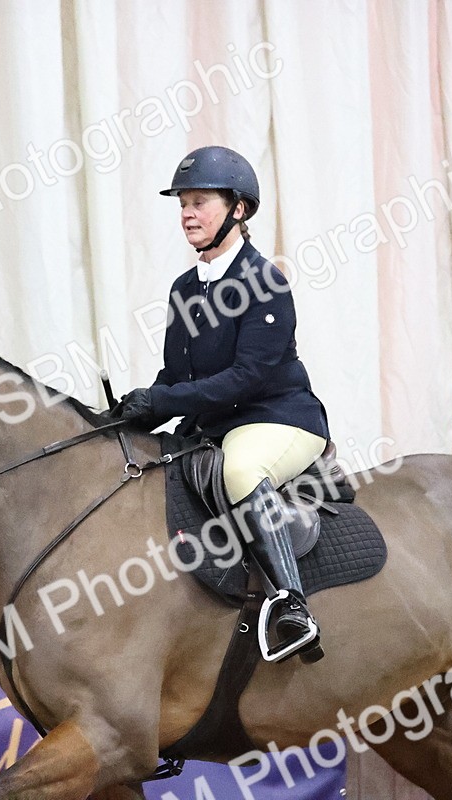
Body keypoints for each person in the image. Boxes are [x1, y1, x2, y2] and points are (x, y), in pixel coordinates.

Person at [113, 145, 331, 663]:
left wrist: (163, 397)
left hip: (277, 419)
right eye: (182, 203)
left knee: (240, 470)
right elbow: (178, 376)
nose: (187, 213)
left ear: (238, 209)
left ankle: (292, 605)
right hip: (213, 424)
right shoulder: (184, 289)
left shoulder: (265, 282)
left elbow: (244, 379)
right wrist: (133, 412)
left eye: (200, 202)